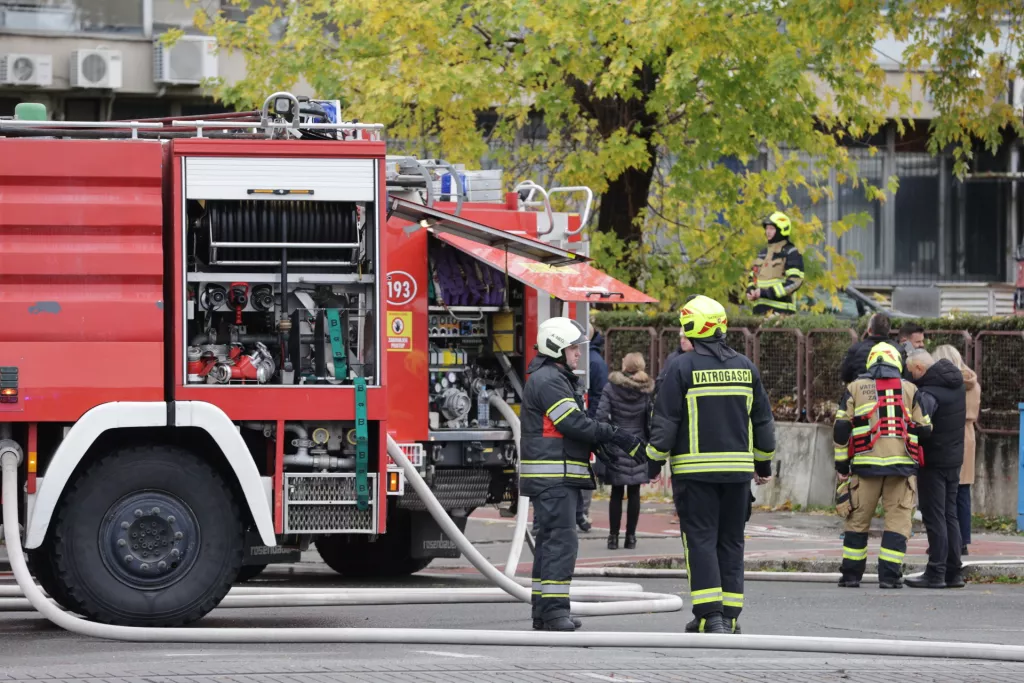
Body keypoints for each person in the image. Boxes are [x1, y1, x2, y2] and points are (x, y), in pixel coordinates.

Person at [646, 295, 776, 635]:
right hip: (737, 475)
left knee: (701, 542)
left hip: (695, 475)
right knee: (731, 542)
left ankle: (709, 615)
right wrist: (763, 465)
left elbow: (666, 422)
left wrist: (652, 463)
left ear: (691, 326)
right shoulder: (746, 367)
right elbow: (763, 422)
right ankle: (729, 616)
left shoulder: (681, 368)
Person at [520, 317, 644, 631]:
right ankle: (555, 612)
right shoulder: (550, 380)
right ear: (556, 348)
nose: (578, 353)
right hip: (555, 478)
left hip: (554, 477)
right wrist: (614, 435)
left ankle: (544, 612)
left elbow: (569, 427)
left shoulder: (552, 377)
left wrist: (597, 444)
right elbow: (572, 423)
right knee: (560, 543)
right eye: (572, 348)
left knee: (550, 543)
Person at [833, 343, 933, 589]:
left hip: (865, 467)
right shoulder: (910, 389)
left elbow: (841, 428)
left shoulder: (855, 388)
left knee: (857, 522)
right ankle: (889, 577)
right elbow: (926, 429)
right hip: (901, 469)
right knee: (897, 523)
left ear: (870, 362)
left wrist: (842, 466)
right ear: (896, 362)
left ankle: (851, 576)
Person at [904, 349, 967, 589]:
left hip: (933, 461)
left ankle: (936, 572)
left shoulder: (929, 393)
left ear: (920, 368)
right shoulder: (957, 385)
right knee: (950, 514)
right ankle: (954, 572)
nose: (910, 377)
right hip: (954, 459)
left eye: (911, 372)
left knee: (934, 515)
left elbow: (923, 427)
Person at [595, 351, 655, 551]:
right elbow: (650, 419)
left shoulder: (611, 387)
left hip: (617, 442)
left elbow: (601, 416)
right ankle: (631, 538)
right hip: (639, 444)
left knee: (616, 492)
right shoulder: (646, 389)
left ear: (625, 365)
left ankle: (613, 538)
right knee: (635, 491)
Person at [932, 345, 981, 556]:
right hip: (967, 435)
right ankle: (963, 540)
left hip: (947, 435)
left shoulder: (945, 385)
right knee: (962, 491)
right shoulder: (973, 382)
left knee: (942, 492)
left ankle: (944, 540)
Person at [577, 324, 609, 533]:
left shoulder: (593, 361)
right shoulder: (596, 360)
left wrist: (591, 421)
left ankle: (581, 512)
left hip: (588, 420)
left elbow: (599, 396)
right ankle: (581, 513)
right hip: (589, 420)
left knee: (584, 466)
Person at [745, 211, 804, 316]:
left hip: (781, 313)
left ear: (782, 229)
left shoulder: (791, 252)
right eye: (767, 228)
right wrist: (751, 290)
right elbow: (753, 277)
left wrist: (767, 293)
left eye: (772, 228)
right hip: (759, 313)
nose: (768, 232)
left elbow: (795, 282)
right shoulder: (762, 253)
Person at [839, 313, 908, 384]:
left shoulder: (856, 349)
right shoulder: (899, 350)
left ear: (869, 330)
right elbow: (905, 377)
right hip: (892, 390)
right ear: (888, 331)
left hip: (862, 389)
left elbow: (845, 376)